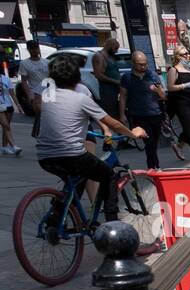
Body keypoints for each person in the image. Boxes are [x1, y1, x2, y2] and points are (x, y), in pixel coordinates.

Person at [36, 54, 148, 231]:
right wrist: (133, 134)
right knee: (110, 175)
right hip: (72, 155)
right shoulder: (81, 98)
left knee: (77, 180)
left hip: (44, 157)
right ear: (77, 77)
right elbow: (113, 123)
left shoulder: (47, 97)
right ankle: (113, 227)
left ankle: (56, 220)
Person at [119, 51, 166, 171]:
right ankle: (154, 166)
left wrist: (157, 90)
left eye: (145, 64)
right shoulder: (127, 77)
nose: (143, 67)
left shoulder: (153, 75)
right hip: (138, 115)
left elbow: (163, 96)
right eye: (140, 64)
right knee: (149, 142)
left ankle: (153, 165)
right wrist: (122, 114)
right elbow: (123, 96)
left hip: (155, 113)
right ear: (133, 63)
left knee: (154, 142)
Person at [18, 40, 48, 138]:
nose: (35, 51)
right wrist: (29, 95)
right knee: (40, 114)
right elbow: (24, 81)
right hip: (35, 93)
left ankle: (43, 134)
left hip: (49, 93)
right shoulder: (24, 63)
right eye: (32, 49)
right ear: (28, 50)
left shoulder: (46, 62)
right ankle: (39, 134)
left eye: (36, 48)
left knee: (50, 115)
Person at [91, 38, 122, 117]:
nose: (116, 51)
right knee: (111, 114)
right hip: (107, 91)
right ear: (110, 46)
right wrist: (115, 81)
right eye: (115, 49)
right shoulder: (99, 56)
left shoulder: (110, 56)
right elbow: (98, 75)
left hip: (116, 90)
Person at [0, 62, 19, 156]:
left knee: (6, 127)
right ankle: (14, 146)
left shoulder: (6, 79)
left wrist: (18, 106)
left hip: (8, 106)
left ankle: (4, 147)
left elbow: (12, 94)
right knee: (6, 126)